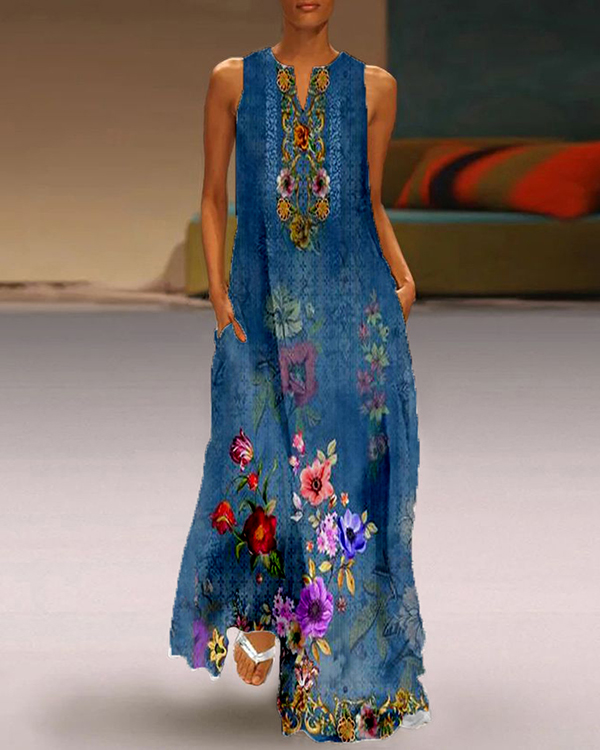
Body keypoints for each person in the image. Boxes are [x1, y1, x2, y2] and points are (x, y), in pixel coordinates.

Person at [169, 0, 431, 741]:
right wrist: (219, 299)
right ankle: (264, 620)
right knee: (259, 470)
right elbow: (213, 197)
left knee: (349, 488)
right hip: (260, 313)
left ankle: (333, 676)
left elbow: (368, 203)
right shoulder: (234, 81)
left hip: (351, 319)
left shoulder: (374, 89)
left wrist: (405, 278)